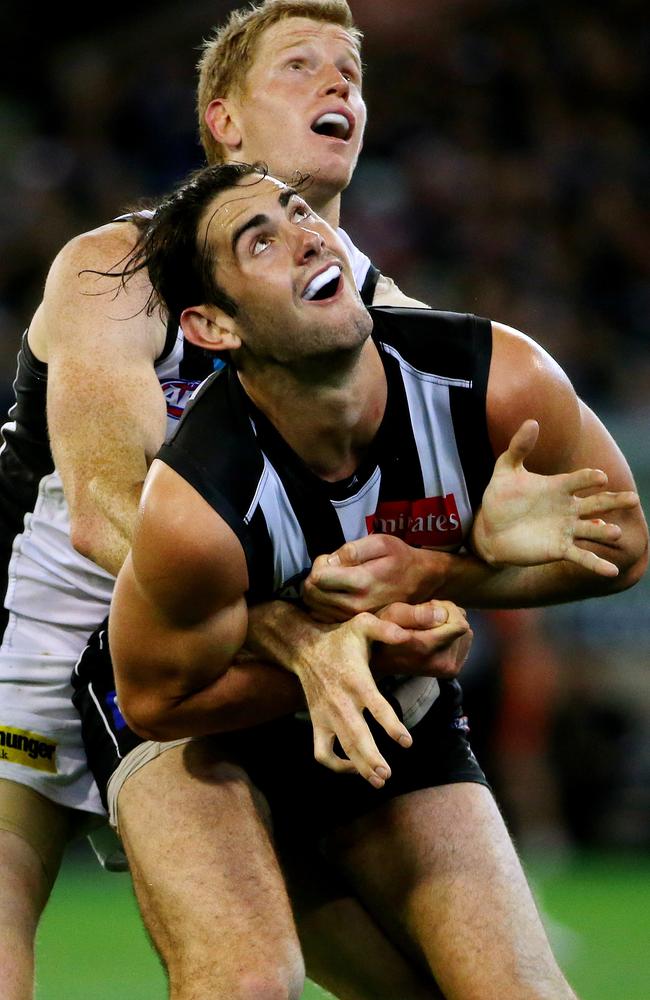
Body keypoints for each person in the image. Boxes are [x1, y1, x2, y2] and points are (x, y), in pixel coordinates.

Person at [102, 161, 646, 1000]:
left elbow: (628, 547)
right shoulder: (197, 505)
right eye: (263, 241)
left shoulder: (497, 379)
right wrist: (325, 662)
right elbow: (152, 699)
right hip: (199, 735)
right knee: (247, 984)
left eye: (297, 214)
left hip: (392, 713)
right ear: (212, 326)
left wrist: (450, 570)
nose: (308, 236)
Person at [0, 4, 443, 997]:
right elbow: (105, 512)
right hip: (34, 646)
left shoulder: (386, 320)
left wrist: (455, 571)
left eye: (350, 70)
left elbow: (478, 502)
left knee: (369, 981)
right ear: (224, 122)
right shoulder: (122, 268)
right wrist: (292, 628)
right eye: (299, 67)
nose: (339, 84)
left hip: (201, 675)